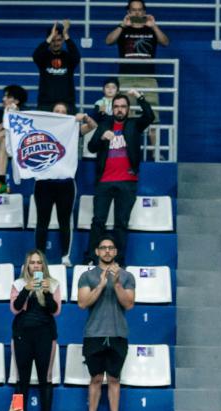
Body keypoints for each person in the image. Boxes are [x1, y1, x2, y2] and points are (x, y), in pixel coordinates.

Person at [86, 90, 154, 264]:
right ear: (112, 108)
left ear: (128, 109)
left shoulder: (134, 124)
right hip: (104, 181)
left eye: (123, 107)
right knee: (98, 222)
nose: (119, 110)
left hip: (127, 181)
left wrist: (139, 97)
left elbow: (149, 116)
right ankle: (91, 259)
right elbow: (92, 147)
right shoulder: (104, 124)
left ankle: (119, 261)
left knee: (121, 224)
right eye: (116, 107)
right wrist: (101, 137)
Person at [79, 236, 135, 411]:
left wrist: (117, 283)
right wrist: (101, 285)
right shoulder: (87, 276)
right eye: (103, 248)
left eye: (111, 248)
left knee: (114, 378)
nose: (107, 251)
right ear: (97, 252)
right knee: (95, 378)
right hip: (94, 334)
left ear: (116, 251)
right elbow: (83, 302)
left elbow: (128, 303)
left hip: (118, 334)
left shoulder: (127, 276)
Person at [9, 249, 62, 411]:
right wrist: (27, 289)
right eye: (32, 262)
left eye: (39, 262)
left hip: (45, 335)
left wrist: (46, 292)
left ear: (43, 265)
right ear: (27, 265)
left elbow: (55, 310)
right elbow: (15, 309)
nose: (36, 266)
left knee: (45, 379)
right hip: (22, 335)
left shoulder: (53, 284)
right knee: (20, 379)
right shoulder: (18, 284)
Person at [34, 102, 94, 263]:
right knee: (42, 221)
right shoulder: (42, 130)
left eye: (63, 111)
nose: (60, 113)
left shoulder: (73, 130)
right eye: (56, 111)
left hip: (65, 184)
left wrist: (85, 117)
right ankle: (39, 258)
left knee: (64, 221)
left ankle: (65, 257)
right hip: (43, 183)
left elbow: (92, 126)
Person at [105, 0, 170, 147]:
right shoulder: (123, 30)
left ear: (144, 12)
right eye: (133, 10)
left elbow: (165, 42)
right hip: (126, 78)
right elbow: (108, 41)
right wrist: (122, 25)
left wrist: (154, 26)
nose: (137, 12)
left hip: (148, 78)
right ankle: (126, 149)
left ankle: (155, 152)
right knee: (126, 116)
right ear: (128, 12)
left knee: (153, 116)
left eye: (140, 10)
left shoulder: (151, 29)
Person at [0, 84, 27, 195]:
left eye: (7, 97)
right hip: (0, 144)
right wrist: (6, 120)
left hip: (20, 146)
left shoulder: (25, 114)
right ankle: (1, 182)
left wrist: (14, 115)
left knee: (4, 136)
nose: (3, 99)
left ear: (16, 101)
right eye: (4, 96)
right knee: (3, 139)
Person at [33, 19, 80, 111]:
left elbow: (76, 57)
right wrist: (50, 36)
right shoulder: (43, 57)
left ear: (63, 40)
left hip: (67, 104)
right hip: (45, 103)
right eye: (53, 40)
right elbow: (36, 55)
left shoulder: (68, 57)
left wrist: (66, 35)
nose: (56, 43)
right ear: (49, 40)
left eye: (59, 40)